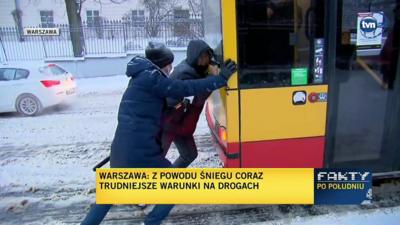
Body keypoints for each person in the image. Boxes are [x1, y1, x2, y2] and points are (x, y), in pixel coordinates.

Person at [81, 42, 237, 225]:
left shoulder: (139, 77)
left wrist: (178, 108)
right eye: (169, 64)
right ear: (163, 64)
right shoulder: (153, 79)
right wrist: (220, 79)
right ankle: (152, 222)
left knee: (107, 196)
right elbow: (184, 88)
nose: (171, 68)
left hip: (122, 149)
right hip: (141, 153)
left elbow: (149, 111)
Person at [161, 40, 218, 168]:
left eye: (207, 56)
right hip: (170, 124)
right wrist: (213, 80)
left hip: (181, 125)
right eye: (202, 57)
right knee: (156, 159)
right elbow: (197, 99)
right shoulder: (185, 74)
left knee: (190, 154)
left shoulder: (196, 69)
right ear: (194, 56)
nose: (205, 60)